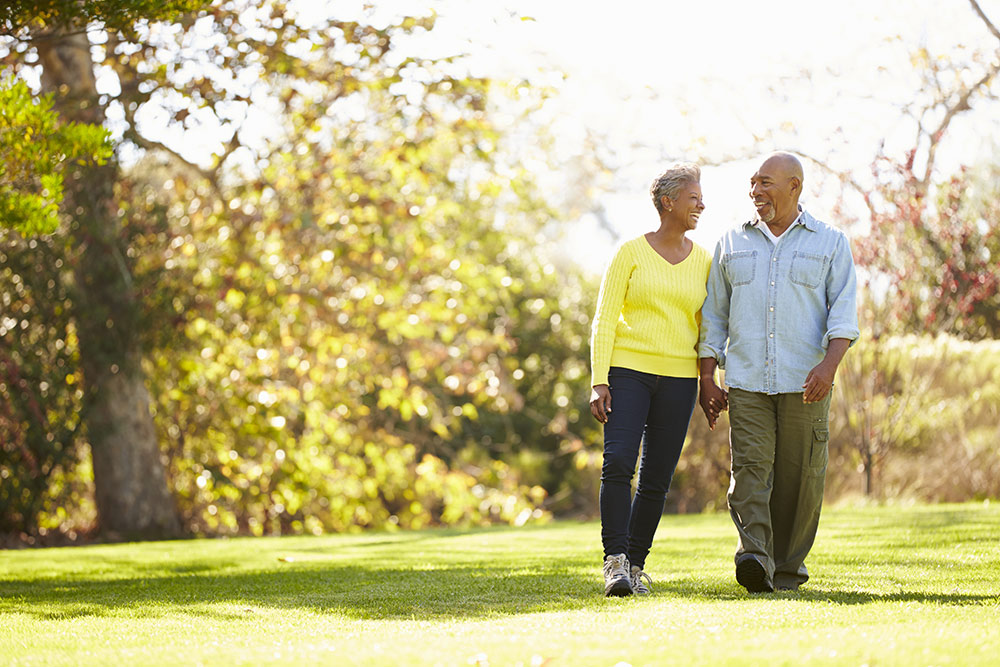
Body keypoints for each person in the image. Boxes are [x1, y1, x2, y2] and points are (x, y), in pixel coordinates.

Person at [698, 152, 859, 593]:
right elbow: (714, 314)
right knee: (749, 470)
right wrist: (707, 376)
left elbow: (843, 314)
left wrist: (829, 366)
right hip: (747, 380)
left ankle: (786, 569)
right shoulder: (731, 242)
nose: (755, 192)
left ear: (795, 186)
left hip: (806, 381)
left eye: (765, 183)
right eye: (752, 184)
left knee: (799, 479)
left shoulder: (830, 242)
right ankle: (754, 557)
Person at [589, 163, 712, 596]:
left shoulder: (703, 261)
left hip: (679, 379)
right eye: (694, 197)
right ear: (668, 202)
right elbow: (604, 319)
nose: (702, 204)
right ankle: (615, 561)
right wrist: (598, 380)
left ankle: (635, 566)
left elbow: (706, 326)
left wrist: (709, 379)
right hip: (628, 371)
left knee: (657, 476)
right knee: (619, 461)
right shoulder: (629, 253)